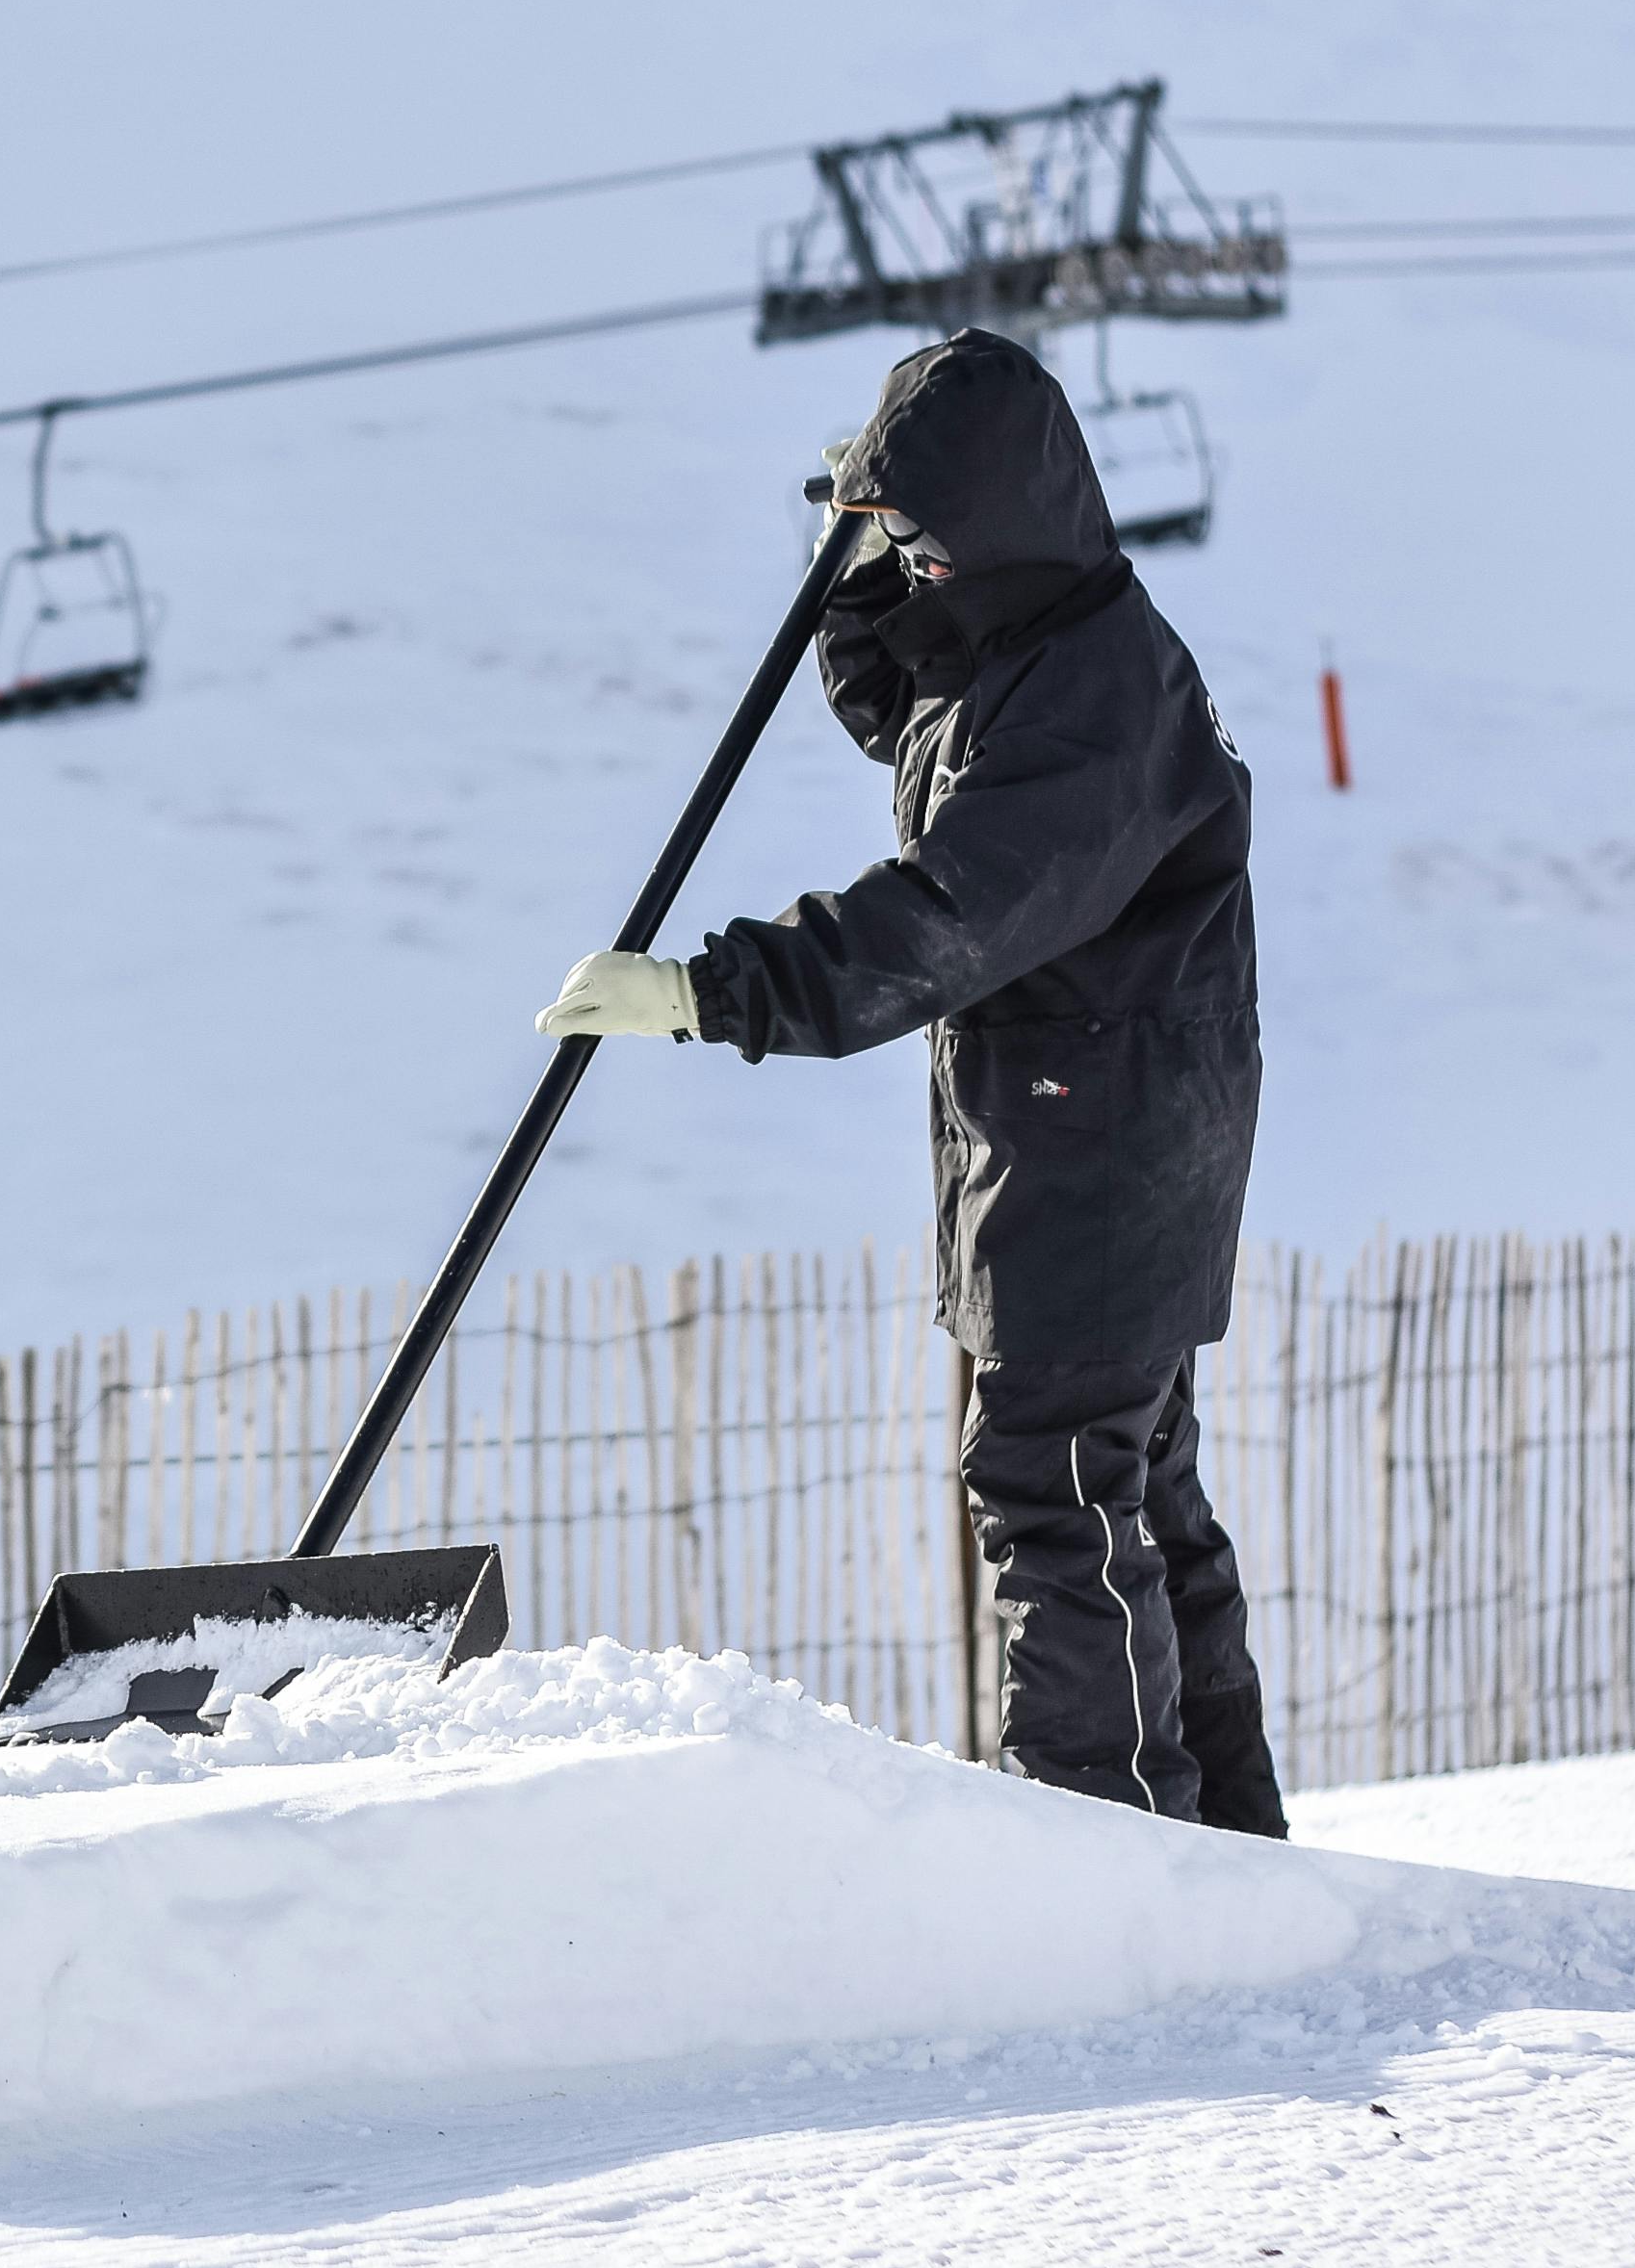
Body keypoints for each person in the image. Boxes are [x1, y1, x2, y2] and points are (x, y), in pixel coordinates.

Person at [533, 328, 1285, 1836]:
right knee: (1128, 1498)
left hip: (1099, 1153)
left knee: (1049, 1494)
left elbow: (950, 913)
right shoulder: (1044, 644)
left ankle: (1110, 1863)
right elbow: (910, 711)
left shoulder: (1092, 709)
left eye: (931, 546)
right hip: (1095, 1128)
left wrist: (710, 992)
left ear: (996, 527)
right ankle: (1220, 1855)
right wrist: (858, 574)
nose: (919, 575)